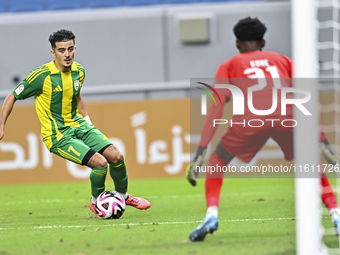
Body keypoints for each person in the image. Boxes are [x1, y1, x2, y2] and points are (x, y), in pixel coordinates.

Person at [187, 17, 340, 241]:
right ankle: (336, 214)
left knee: (217, 161)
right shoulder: (285, 61)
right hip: (288, 118)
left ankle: (211, 214)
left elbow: (217, 107)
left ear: (237, 43)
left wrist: (201, 151)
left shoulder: (229, 65)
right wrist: (323, 141)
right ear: (263, 41)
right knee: (312, 165)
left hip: (251, 120)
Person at [0, 29, 151, 218]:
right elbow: (13, 95)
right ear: (53, 53)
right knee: (100, 163)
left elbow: (77, 97)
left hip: (79, 125)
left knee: (117, 157)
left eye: (70, 49)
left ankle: (122, 196)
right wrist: (2, 125)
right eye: (62, 50)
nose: (67, 54)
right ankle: (96, 202)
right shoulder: (41, 76)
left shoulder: (79, 71)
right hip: (57, 136)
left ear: (75, 48)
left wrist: (88, 123)